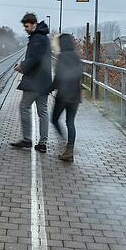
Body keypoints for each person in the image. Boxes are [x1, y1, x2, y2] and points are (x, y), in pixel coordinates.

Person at [11, 13, 52, 152]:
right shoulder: (43, 37)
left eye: (27, 26)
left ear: (34, 24)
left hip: (35, 81)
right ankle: (42, 143)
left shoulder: (37, 38)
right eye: (24, 26)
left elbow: (34, 59)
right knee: (43, 112)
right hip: (44, 81)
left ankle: (27, 139)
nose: (25, 29)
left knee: (24, 107)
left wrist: (21, 66)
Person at [50, 33, 82, 162]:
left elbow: (59, 77)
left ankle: (64, 142)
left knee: (54, 119)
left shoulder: (62, 56)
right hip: (75, 95)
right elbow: (80, 75)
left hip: (63, 95)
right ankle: (69, 150)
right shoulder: (76, 57)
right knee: (70, 122)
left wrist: (49, 88)